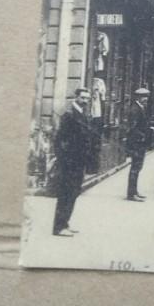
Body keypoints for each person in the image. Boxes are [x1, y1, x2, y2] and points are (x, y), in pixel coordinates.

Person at [52, 87, 91, 236]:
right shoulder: (69, 115)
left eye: (87, 98)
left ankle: (65, 223)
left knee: (73, 193)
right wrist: (63, 159)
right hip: (69, 162)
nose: (85, 101)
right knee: (65, 194)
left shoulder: (82, 114)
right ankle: (58, 227)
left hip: (79, 161)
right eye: (82, 98)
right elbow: (60, 139)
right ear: (76, 98)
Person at [125, 87, 154, 202]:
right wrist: (143, 135)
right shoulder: (135, 109)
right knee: (135, 168)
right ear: (138, 97)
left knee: (137, 167)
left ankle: (134, 191)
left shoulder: (140, 108)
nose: (146, 99)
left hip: (139, 143)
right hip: (137, 143)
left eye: (146, 97)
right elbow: (133, 128)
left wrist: (149, 129)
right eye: (144, 97)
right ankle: (131, 194)